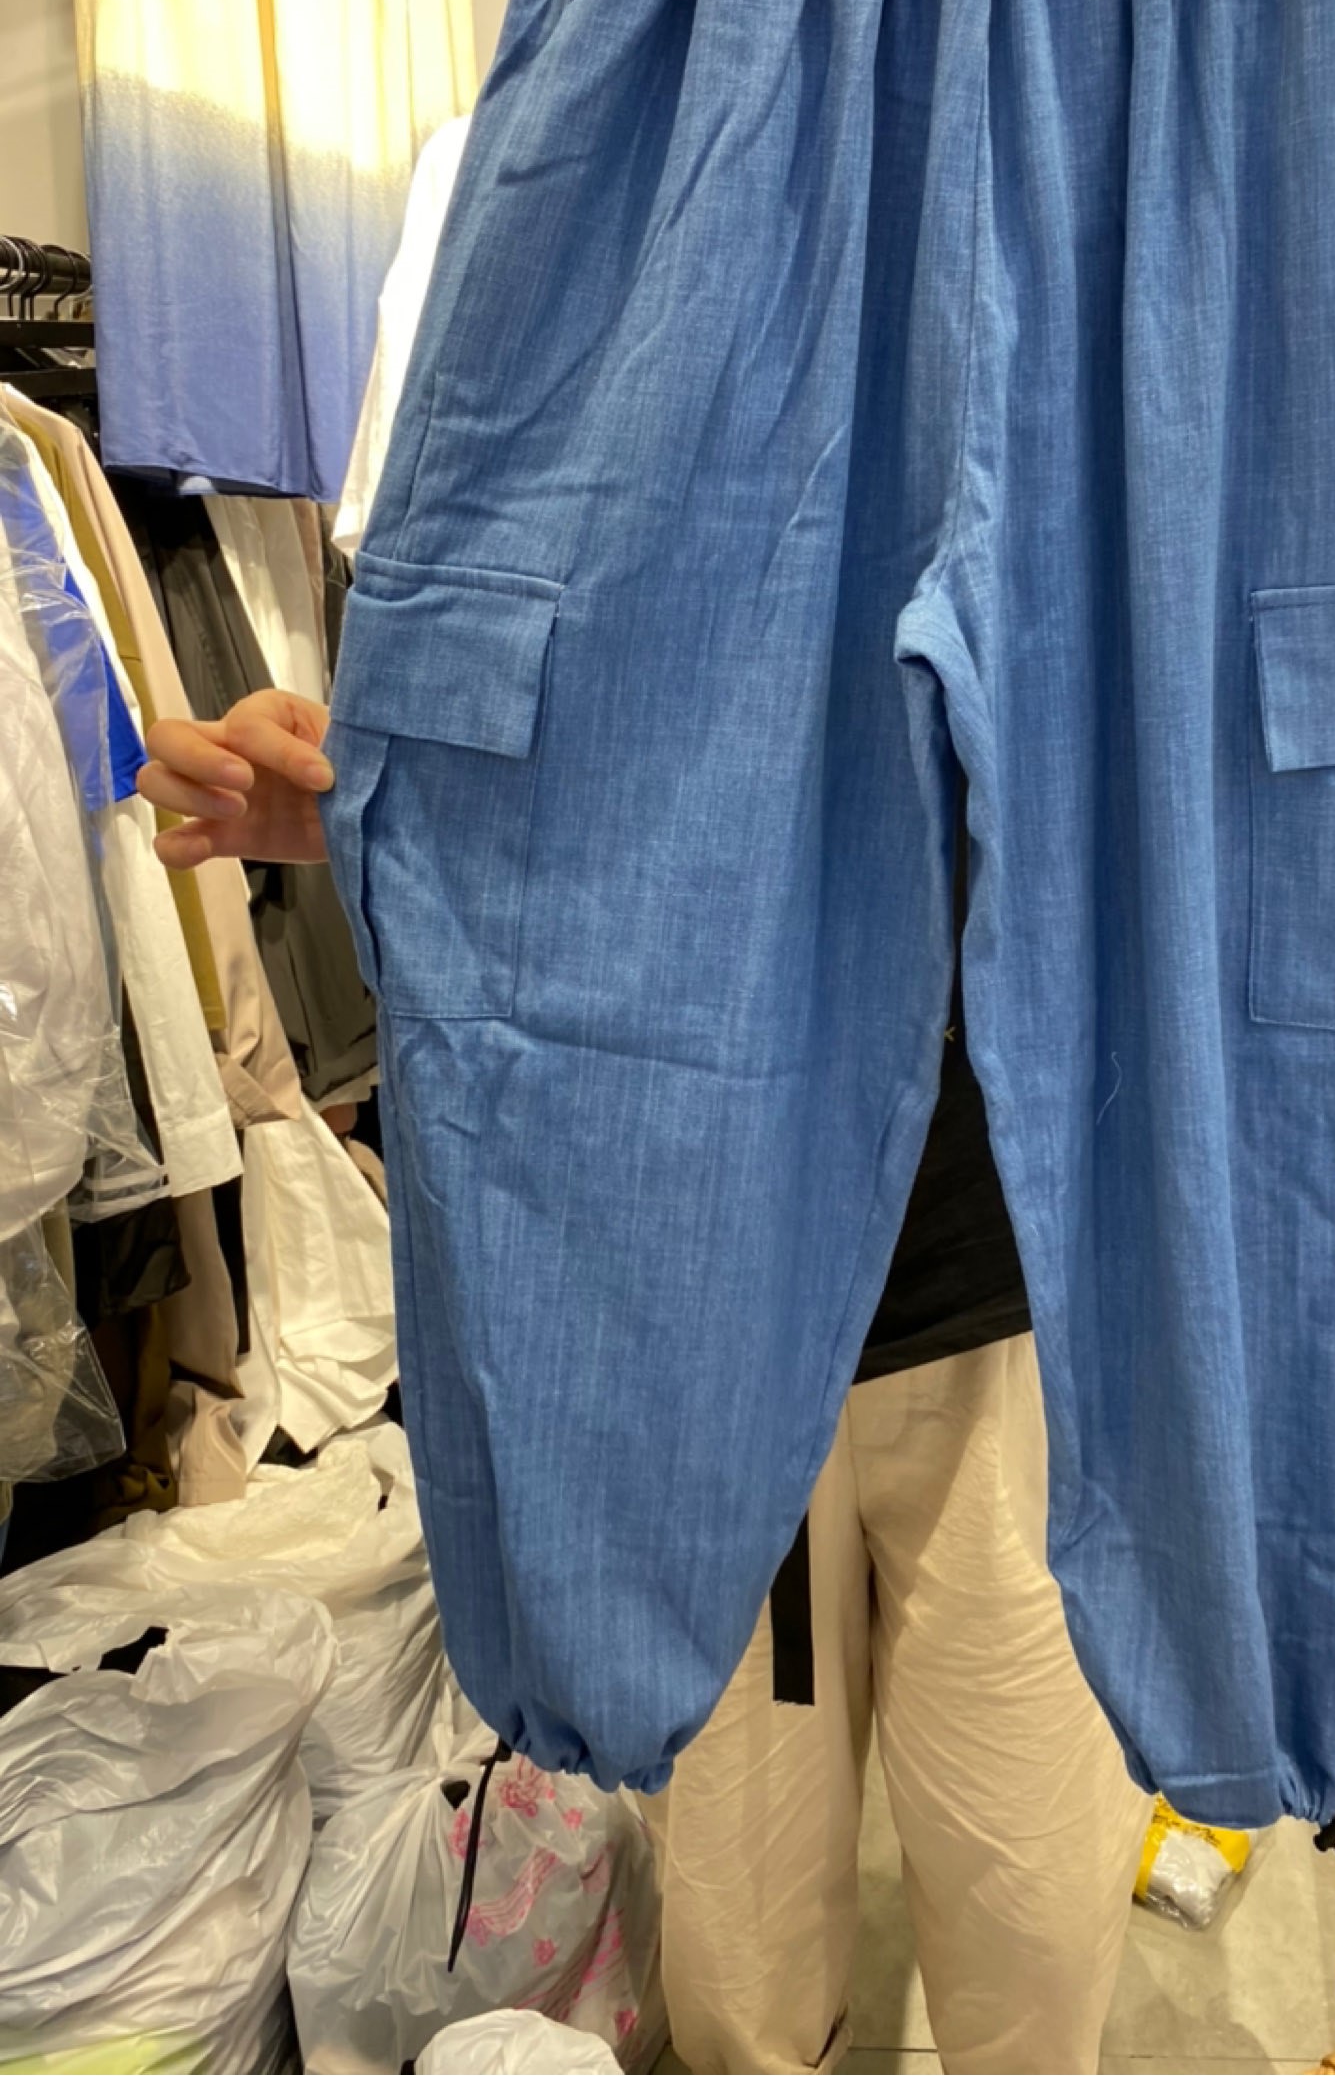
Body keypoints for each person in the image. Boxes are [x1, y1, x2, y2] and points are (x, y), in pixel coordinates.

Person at [138, 686, 1152, 2075]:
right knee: (737, 1957)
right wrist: (403, 809)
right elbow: (604, 735)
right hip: (706, 1308)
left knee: (1035, 1935)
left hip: (1018, 1299)